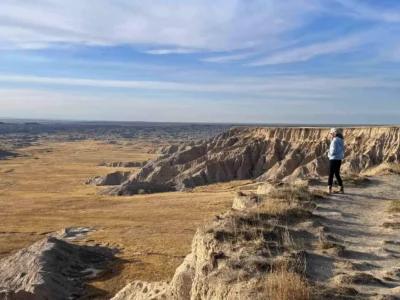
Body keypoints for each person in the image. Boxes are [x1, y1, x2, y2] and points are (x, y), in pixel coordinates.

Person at [328, 128, 345, 194]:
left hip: (333, 158)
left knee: (330, 174)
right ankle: (341, 188)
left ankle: (329, 188)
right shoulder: (341, 140)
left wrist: (329, 154)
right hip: (339, 159)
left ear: (334, 134)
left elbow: (333, 150)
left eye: (331, 134)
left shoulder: (334, 140)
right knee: (337, 174)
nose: (331, 135)